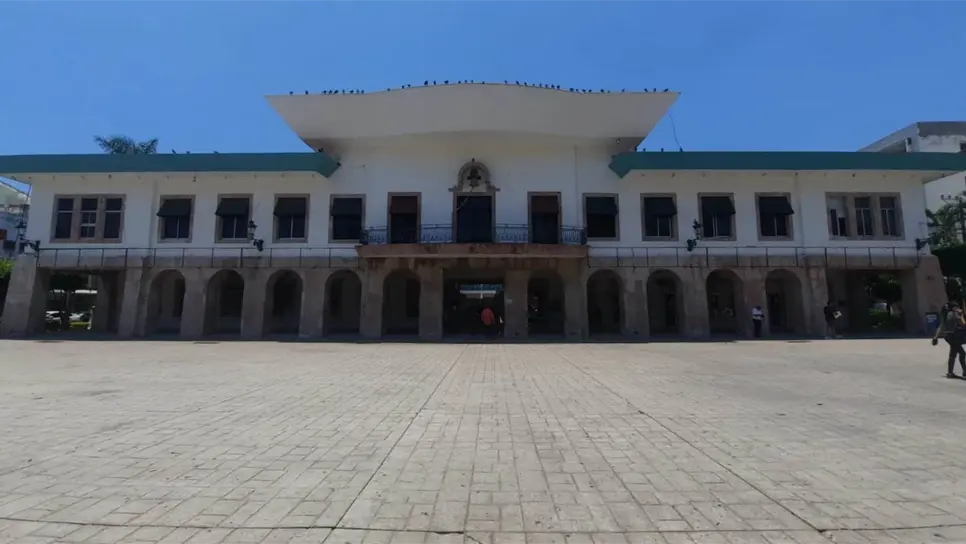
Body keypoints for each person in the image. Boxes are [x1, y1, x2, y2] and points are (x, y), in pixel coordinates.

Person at [933, 302, 966, 379]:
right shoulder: (954, 314)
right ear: (954, 308)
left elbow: (941, 327)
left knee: (953, 353)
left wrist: (935, 337)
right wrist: (960, 315)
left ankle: (950, 373)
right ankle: (964, 372)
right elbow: (962, 324)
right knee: (962, 354)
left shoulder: (946, 315)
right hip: (954, 336)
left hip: (947, 336)